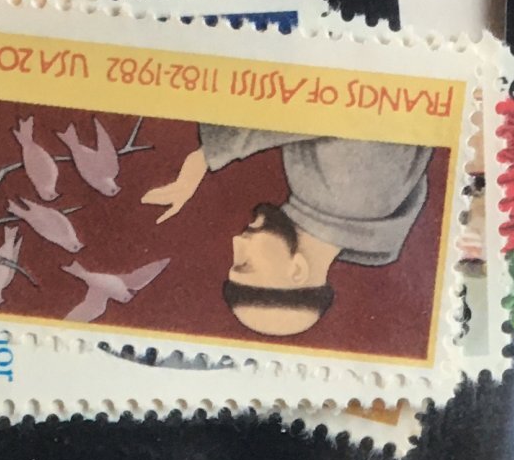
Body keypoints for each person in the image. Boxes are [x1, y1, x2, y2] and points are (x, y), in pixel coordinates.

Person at [140, 126, 433, 338]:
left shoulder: (347, 210)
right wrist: (206, 156)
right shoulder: (350, 197)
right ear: (297, 271)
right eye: (246, 263)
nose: (237, 242)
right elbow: (330, 105)